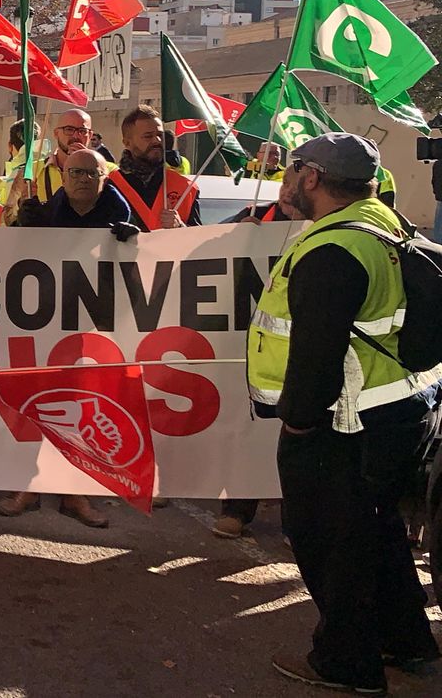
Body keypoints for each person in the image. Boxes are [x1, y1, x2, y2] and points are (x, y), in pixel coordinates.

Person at [247, 133, 442, 694]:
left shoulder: (333, 251)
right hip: (397, 413)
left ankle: (347, 661)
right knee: (375, 530)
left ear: (312, 176)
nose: (285, 181)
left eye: (291, 171)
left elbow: (317, 355)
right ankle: (408, 642)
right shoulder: (381, 220)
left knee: (330, 541)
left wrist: (298, 420)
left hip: (341, 425)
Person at [0, 150, 137, 528]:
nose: (82, 179)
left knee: (84, 410)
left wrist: (134, 240)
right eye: (75, 171)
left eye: (91, 173)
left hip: (93, 330)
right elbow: (11, 258)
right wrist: (24, 228)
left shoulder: (120, 214)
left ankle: (74, 493)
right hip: (47, 323)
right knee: (41, 405)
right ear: (63, 176)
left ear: (103, 179)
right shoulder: (47, 211)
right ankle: (30, 486)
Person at [209, 196, 308, 539]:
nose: (287, 189)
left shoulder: (324, 224)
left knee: (300, 435)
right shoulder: (255, 214)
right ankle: (237, 509)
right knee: (249, 427)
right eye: (285, 181)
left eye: (295, 179)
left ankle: (295, 522)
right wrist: (238, 234)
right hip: (256, 349)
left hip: (304, 348)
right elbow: (208, 244)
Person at [107, 105, 200, 231]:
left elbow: (198, 239)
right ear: (127, 143)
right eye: (148, 136)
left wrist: (180, 226)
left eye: (160, 135)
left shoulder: (186, 187)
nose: (157, 140)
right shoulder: (108, 186)